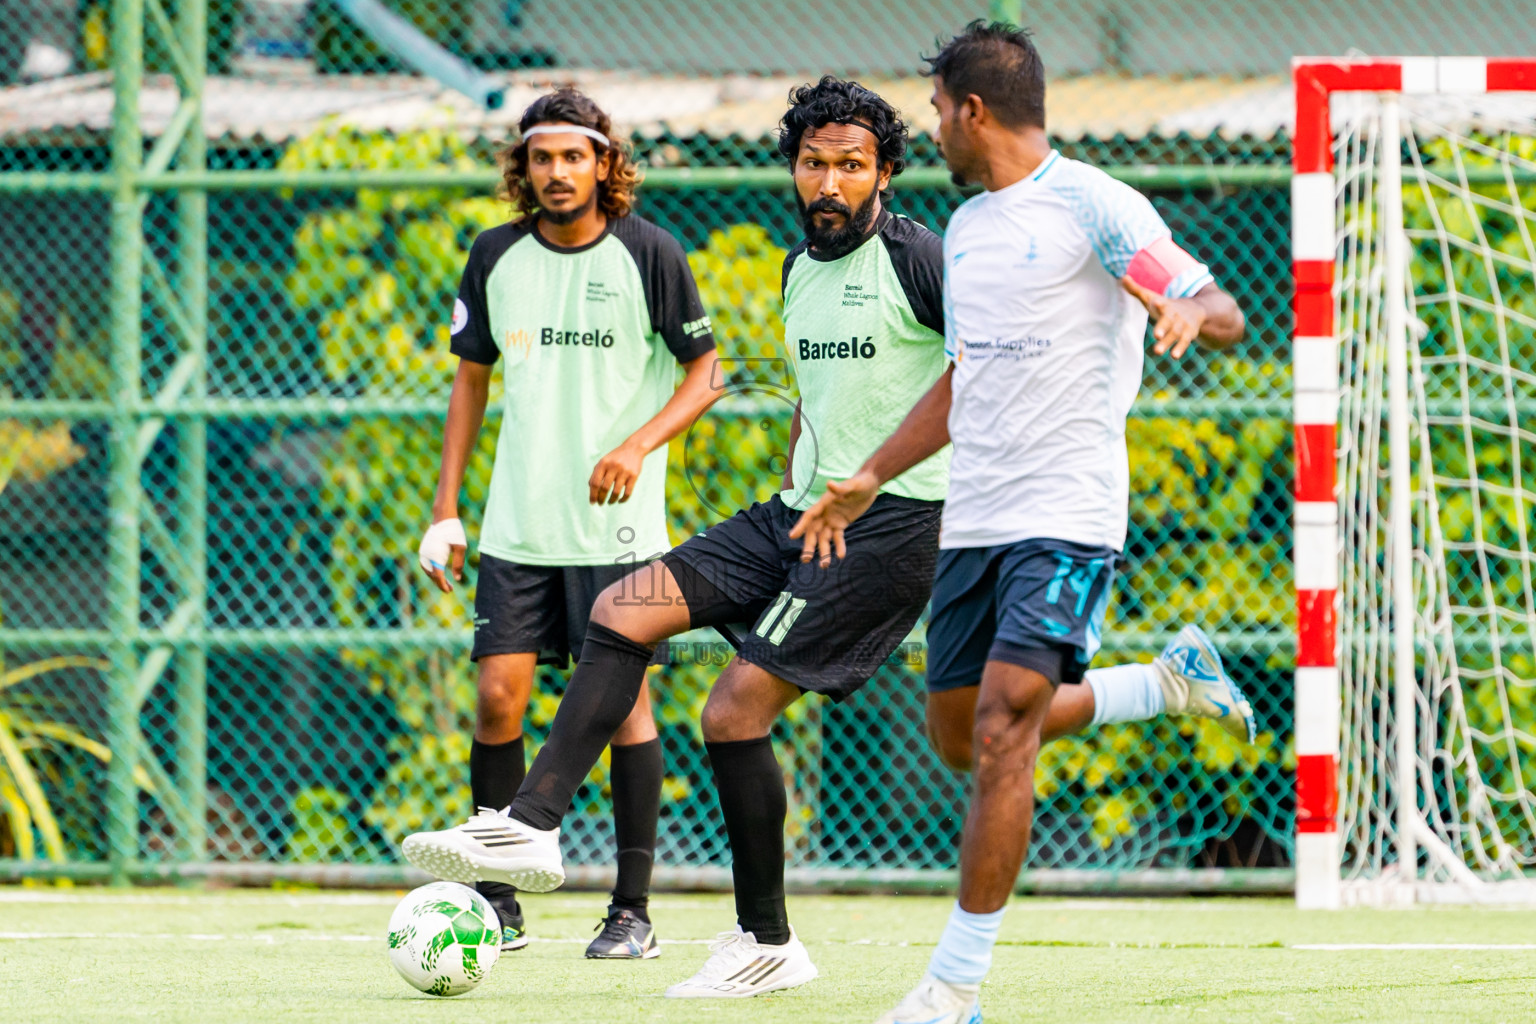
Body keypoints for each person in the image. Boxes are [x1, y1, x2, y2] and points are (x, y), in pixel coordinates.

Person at [403, 75, 1253, 1001]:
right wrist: (812, 482)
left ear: (886, 172)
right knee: (625, 607)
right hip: (801, 512)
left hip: (900, 526)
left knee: (733, 712)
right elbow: (821, 400)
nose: (830, 184)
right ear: (794, 170)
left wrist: (886, 477)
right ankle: (531, 825)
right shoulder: (797, 270)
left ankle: (765, 941)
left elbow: (976, 376)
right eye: (815, 164)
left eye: (852, 166)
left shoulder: (927, 258)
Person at [788, 24, 1251, 1024]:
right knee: (962, 735)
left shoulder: (1094, 204)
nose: (935, 131)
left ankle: (953, 987)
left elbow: (1221, 308)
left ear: (972, 110)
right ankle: (1159, 683)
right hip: (973, 520)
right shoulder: (966, 231)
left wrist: (1182, 313)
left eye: (938, 113)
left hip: (1069, 513)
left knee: (1004, 725)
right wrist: (870, 473)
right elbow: (964, 379)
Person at [414, 87, 720, 960]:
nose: (557, 172)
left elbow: (706, 373)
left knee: (628, 714)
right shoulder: (494, 255)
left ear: (603, 164)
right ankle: (496, 904)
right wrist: (447, 509)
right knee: (495, 698)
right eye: (541, 157)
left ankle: (631, 912)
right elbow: (470, 379)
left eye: (573, 156)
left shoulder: (651, 253)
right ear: (524, 167)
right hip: (516, 526)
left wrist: (637, 445)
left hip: (619, 534)